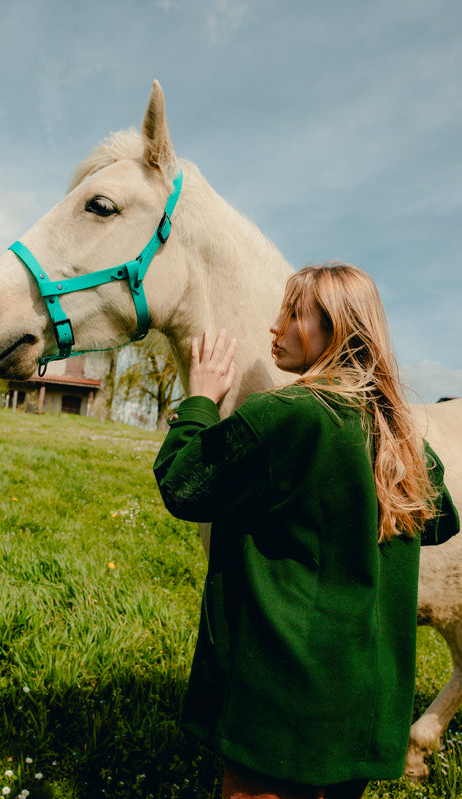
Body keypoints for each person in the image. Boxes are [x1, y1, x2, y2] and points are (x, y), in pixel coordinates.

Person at [153, 263, 459, 799]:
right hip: (363, 713)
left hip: (278, 709)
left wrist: (200, 399)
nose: (276, 327)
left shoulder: (285, 413)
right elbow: (442, 522)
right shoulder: (396, 432)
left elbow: (182, 487)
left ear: (337, 329)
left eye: (294, 314)